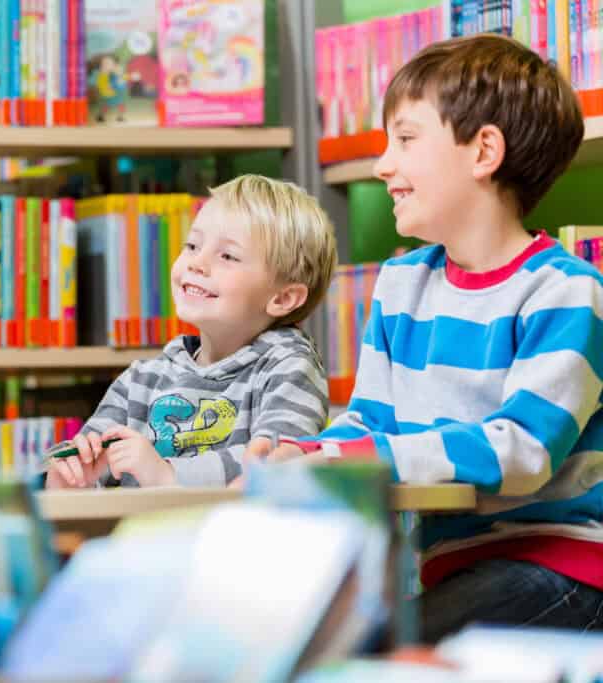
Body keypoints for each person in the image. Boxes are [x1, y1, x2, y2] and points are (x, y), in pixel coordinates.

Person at [250, 35, 603, 642]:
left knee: (381, 652)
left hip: (565, 567)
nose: (384, 164)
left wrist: (356, 456)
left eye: (406, 140)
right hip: (448, 570)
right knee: (306, 639)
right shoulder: (400, 282)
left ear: (483, 151)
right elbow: (369, 423)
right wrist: (305, 454)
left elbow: (521, 451)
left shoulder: (567, 292)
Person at [47, 174, 337, 489]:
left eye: (227, 255)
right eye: (193, 245)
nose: (197, 263)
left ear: (282, 298)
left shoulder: (290, 367)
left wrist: (168, 475)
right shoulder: (141, 379)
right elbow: (81, 485)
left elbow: (278, 463)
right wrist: (68, 478)